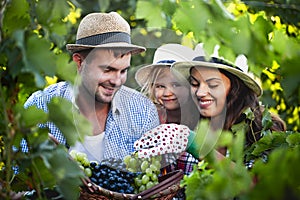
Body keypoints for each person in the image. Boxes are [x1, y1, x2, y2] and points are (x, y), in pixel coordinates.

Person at [22, 12, 160, 162]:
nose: (116, 81)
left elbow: (148, 179)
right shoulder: (41, 105)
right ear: (80, 62)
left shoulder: (142, 111)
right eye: (108, 70)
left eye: (123, 71)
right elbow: (20, 177)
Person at [134, 50, 286, 164]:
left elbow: (256, 188)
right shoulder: (191, 124)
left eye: (213, 84)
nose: (200, 92)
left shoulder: (261, 133)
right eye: (194, 84)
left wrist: (196, 146)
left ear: (236, 89)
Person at [135, 43, 200, 176]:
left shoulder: (200, 121)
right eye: (160, 86)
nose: (167, 93)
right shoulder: (151, 121)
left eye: (176, 85)